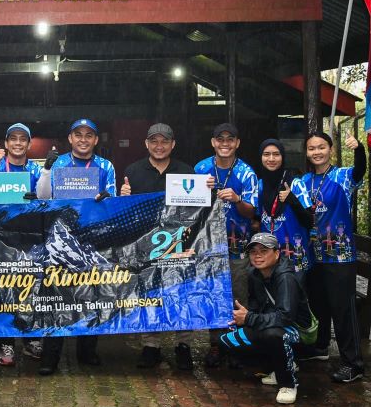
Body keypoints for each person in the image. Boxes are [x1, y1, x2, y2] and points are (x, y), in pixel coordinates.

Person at [35, 118, 117, 375]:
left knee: (91, 295)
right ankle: (50, 357)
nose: (83, 139)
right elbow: (43, 198)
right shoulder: (59, 163)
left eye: (88, 135)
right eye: (78, 134)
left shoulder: (105, 166)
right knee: (55, 296)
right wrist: (47, 172)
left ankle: (87, 351)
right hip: (60, 241)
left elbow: (114, 200)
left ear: (95, 140)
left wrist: (107, 199)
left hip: (92, 240)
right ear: (70, 139)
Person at [119, 122, 196, 370]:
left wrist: (207, 191)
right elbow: (126, 212)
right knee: (149, 295)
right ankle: (151, 346)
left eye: (164, 141)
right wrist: (123, 198)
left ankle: (183, 345)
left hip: (178, 244)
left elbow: (197, 210)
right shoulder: (133, 170)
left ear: (173, 144)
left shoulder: (186, 170)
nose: (159, 146)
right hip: (146, 245)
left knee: (180, 294)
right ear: (146, 144)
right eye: (154, 141)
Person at [298, 131, 367, 382]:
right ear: (306, 153)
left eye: (321, 147)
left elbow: (359, 171)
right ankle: (320, 347)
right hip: (314, 255)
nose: (316, 152)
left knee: (342, 309)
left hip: (339, 255)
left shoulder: (342, 176)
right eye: (311, 148)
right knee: (319, 304)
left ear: (330, 149)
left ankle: (353, 363)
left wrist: (359, 150)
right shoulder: (302, 181)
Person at [217, 233, 311, 404]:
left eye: (264, 250)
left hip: (296, 330)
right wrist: (246, 317)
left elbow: (285, 317)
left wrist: (250, 319)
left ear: (276, 253)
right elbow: (255, 306)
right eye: (253, 252)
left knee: (273, 335)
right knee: (226, 341)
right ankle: (278, 364)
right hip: (268, 323)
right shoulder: (254, 274)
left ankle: (288, 383)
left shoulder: (286, 277)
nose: (257, 255)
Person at [194, 122, 259, 367]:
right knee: (213, 297)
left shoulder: (247, 172)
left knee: (238, 296)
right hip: (207, 248)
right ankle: (216, 346)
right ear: (213, 142)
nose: (224, 143)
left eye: (230, 139)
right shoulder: (201, 168)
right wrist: (203, 190)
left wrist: (237, 198)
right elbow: (188, 207)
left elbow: (251, 212)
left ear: (237, 143)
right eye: (220, 139)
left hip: (237, 247)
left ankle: (237, 347)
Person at [0, 122, 44, 366]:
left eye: (23, 139)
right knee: (3, 290)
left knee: (31, 289)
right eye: (13, 139)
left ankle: (30, 339)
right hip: (0, 240)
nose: (18, 143)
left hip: (30, 240)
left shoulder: (36, 170)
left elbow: (46, 199)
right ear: (6, 143)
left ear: (29, 144)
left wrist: (35, 199)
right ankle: (5, 344)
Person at [256, 139, 313, 277]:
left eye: (276, 154)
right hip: (269, 259)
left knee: (294, 297)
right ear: (261, 157)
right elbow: (258, 219)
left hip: (295, 259)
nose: (271, 159)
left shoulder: (295, 184)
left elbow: (309, 221)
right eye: (266, 154)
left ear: (283, 157)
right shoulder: (260, 185)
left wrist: (292, 200)